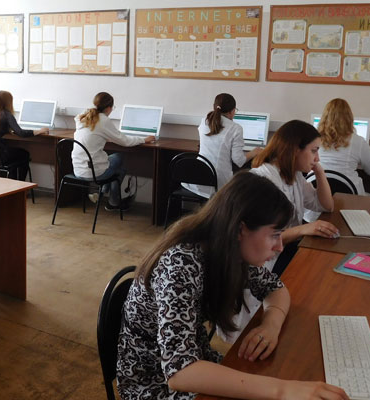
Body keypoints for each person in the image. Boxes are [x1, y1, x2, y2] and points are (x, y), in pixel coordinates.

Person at [117, 171, 348, 400]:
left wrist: (271, 325)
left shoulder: (225, 249)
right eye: (274, 235)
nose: (279, 246)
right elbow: (180, 372)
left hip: (197, 362)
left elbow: (275, 288)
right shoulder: (180, 264)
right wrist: (283, 390)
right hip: (154, 385)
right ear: (240, 229)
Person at [217, 121, 339, 344]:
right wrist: (303, 228)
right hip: (263, 259)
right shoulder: (264, 181)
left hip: (278, 252)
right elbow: (255, 239)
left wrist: (319, 171)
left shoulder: (293, 175)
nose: (317, 157)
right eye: (314, 151)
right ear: (294, 150)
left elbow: (326, 205)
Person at [72, 92, 155, 210]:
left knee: (113, 161)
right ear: (109, 108)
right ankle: (112, 201)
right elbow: (125, 141)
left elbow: (94, 134)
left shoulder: (84, 118)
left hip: (78, 170)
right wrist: (144, 139)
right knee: (120, 159)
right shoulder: (103, 120)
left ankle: (101, 193)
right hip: (94, 173)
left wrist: (106, 136)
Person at [184, 93, 262, 198]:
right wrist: (254, 152)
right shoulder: (236, 128)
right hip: (217, 182)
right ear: (232, 111)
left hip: (197, 179)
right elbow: (238, 161)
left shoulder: (205, 121)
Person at [0, 90, 47, 181]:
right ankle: (20, 184)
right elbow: (21, 133)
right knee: (24, 154)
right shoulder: (6, 114)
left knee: (14, 152)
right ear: (8, 102)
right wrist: (39, 131)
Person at [317, 98, 370, 195]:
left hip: (317, 191)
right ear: (349, 118)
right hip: (348, 195)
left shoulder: (313, 139)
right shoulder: (358, 141)